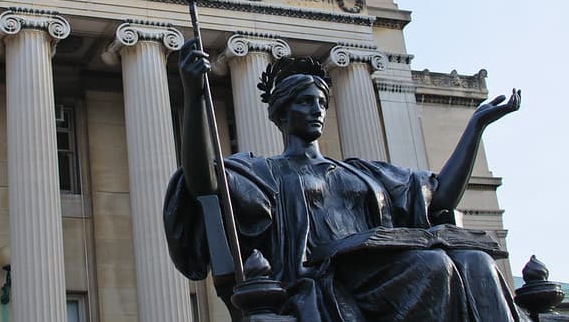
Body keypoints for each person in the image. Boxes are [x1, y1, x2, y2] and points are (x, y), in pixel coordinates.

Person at [164, 41, 523, 321]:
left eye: (321, 101)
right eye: (305, 102)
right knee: (435, 266)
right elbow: (203, 180)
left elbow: (440, 198)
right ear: (282, 114)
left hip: (385, 272)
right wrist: (194, 95)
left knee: (477, 263)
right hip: (324, 280)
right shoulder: (264, 172)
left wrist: (476, 127)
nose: (317, 110)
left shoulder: (362, 173)